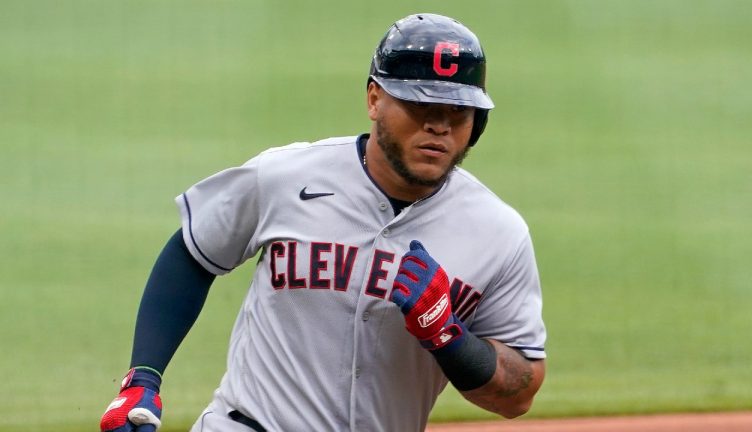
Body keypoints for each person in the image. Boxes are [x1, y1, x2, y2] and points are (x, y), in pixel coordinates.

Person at [100, 12, 546, 432]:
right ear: (374, 98)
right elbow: (194, 252)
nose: (438, 126)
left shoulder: (498, 232)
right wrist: (144, 377)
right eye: (419, 105)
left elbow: (518, 395)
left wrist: (449, 337)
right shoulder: (286, 176)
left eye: (456, 112)